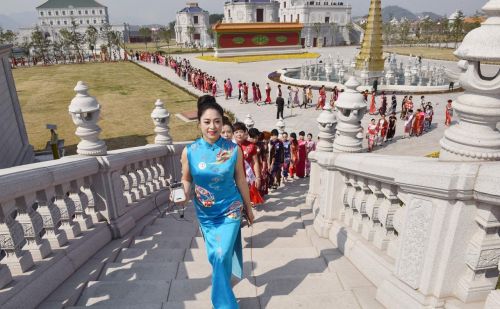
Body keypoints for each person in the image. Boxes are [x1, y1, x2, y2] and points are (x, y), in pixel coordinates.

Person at [178, 95, 254, 309]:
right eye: (207, 122)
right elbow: (186, 178)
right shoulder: (190, 152)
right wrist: (183, 194)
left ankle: (223, 305)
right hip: (206, 215)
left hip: (231, 209)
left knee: (220, 256)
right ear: (199, 123)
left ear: (223, 122)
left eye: (217, 121)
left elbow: (240, 179)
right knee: (216, 258)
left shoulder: (233, 150)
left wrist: (248, 208)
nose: (213, 126)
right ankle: (226, 289)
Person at [234, 123, 263, 207]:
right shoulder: (229, 146)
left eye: (241, 131)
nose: (239, 134)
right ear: (233, 134)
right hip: (233, 178)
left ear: (245, 132)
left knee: (246, 200)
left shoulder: (251, 146)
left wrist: (258, 177)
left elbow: (255, 162)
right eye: (236, 132)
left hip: (247, 177)